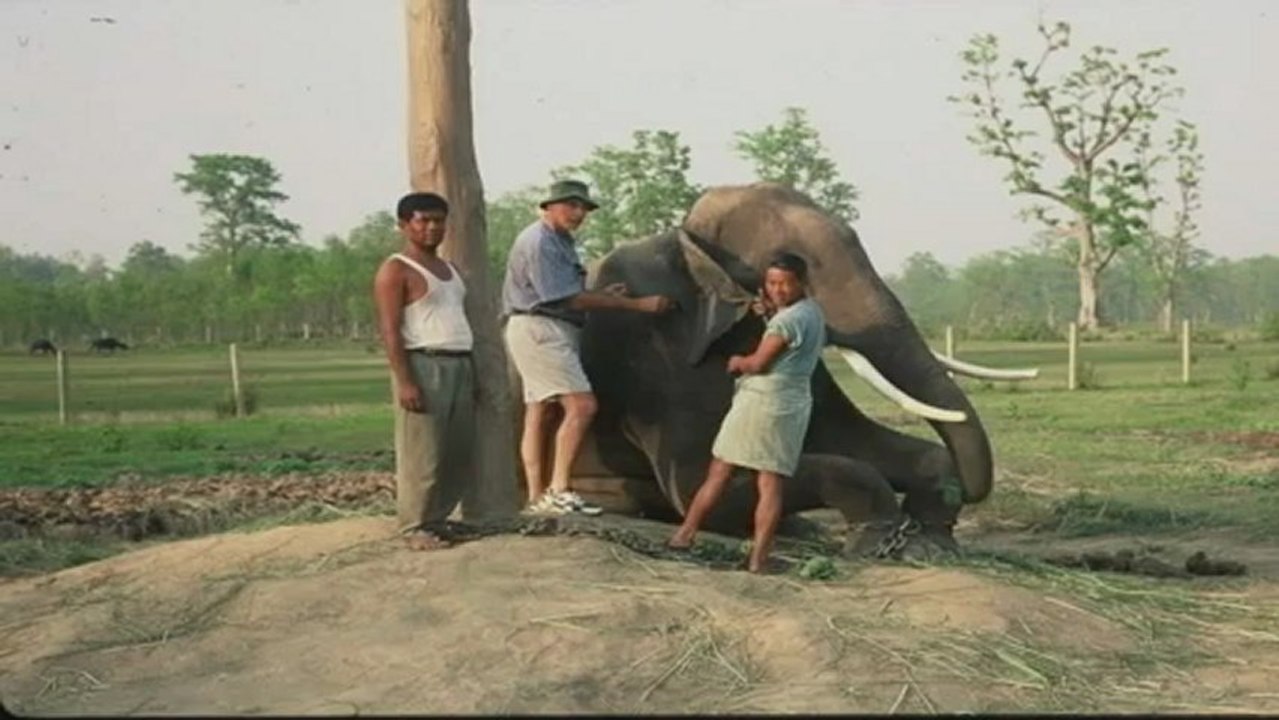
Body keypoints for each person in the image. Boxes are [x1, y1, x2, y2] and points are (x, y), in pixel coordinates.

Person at [501, 179, 675, 516]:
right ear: (549, 206)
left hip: (547, 326)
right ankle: (560, 489)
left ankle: (538, 496)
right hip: (541, 327)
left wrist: (608, 294)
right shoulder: (541, 242)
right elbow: (564, 297)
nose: (579, 213)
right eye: (571, 205)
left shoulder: (561, 241)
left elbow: (568, 291)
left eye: (583, 207)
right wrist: (638, 306)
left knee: (541, 411)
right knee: (581, 406)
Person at [668, 252, 826, 573]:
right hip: (792, 402)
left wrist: (737, 362)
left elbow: (759, 363)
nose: (777, 290)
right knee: (770, 482)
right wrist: (770, 316)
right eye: (771, 283)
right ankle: (759, 559)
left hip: (762, 400)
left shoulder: (786, 321)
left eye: (785, 283)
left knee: (721, 471)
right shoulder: (812, 313)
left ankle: (684, 535)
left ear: (802, 283)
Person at [373, 191, 476, 551]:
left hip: (459, 362)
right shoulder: (396, 270)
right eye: (423, 220)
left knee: (456, 449)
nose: (432, 228)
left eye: (438, 220)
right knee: (424, 449)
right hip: (423, 362)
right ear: (404, 225)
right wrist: (405, 380)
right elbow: (389, 329)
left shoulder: (450, 270)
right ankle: (414, 525)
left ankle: (438, 518)